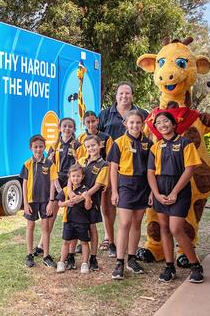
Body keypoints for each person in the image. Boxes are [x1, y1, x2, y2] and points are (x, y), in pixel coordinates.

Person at [147, 112, 205, 283]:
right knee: (164, 228)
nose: (162, 124)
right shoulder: (155, 147)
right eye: (158, 122)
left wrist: (174, 193)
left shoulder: (185, 143)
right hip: (160, 189)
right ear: (156, 127)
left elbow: (189, 170)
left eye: (166, 121)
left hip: (178, 190)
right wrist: (157, 194)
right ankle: (169, 266)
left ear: (173, 124)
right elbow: (150, 173)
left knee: (176, 228)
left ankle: (195, 266)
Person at [97, 82, 148, 257]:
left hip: (134, 169)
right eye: (121, 93)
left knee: (131, 216)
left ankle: (129, 248)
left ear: (132, 95)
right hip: (109, 166)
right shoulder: (105, 114)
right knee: (109, 204)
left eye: (127, 93)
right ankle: (109, 238)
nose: (124, 96)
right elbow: (95, 137)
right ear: (116, 95)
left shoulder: (143, 114)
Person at [107, 110, 153, 280]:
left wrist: (150, 192)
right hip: (125, 185)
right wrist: (115, 191)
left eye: (138, 123)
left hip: (142, 186)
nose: (135, 126)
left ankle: (131, 259)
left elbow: (151, 170)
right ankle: (119, 261)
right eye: (131, 123)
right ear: (125, 124)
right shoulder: (119, 143)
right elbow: (113, 169)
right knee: (125, 223)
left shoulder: (148, 143)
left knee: (136, 223)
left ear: (142, 124)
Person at [33, 118, 79, 257]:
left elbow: (79, 166)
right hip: (57, 181)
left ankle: (73, 248)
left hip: (72, 182)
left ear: (74, 129)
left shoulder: (77, 145)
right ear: (59, 128)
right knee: (50, 214)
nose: (67, 129)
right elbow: (49, 165)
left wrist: (73, 185)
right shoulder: (54, 144)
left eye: (70, 126)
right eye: (64, 126)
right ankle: (41, 245)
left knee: (74, 215)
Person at [76, 111, 115, 257]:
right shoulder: (80, 138)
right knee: (83, 211)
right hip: (86, 180)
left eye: (93, 121)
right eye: (88, 122)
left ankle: (110, 242)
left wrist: (110, 181)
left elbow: (111, 161)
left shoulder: (106, 138)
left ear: (98, 121)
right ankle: (83, 241)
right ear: (84, 123)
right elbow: (79, 162)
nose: (91, 124)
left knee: (106, 209)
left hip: (102, 178)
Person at [20, 134, 58, 268]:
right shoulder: (27, 164)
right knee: (30, 226)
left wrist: (51, 202)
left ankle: (46, 256)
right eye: (35, 147)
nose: (38, 149)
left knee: (46, 228)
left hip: (46, 201)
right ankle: (29, 254)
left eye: (41, 147)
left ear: (45, 147)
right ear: (31, 148)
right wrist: (25, 203)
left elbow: (53, 183)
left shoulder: (49, 163)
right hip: (31, 201)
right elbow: (24, 184)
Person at [77, 135, 110, 271]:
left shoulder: (104, 165)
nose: (91, 148)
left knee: (92, 227)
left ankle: (93, 257)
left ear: (100, 145)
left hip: (92, 201)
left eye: (93, 145)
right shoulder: (81, 161)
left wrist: (84, 196)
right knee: (80, 226)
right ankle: (76, 256)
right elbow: (73, 177)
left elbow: (97, 186)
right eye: (88, 146)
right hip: (78, 201)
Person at [55, 164, 92, 274]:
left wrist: (87, 198)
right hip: (68, 221)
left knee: (84, 242)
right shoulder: (66, 190)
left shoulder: (85, 190)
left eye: (78, 176)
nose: (76, 178)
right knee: (66, 242)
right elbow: (59, 203)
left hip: (82, 221)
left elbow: (88, 207)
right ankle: (61, 262)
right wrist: (65, 203)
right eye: (73, 176)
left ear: (83, 177)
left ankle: (85, 263)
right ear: (70, 177)